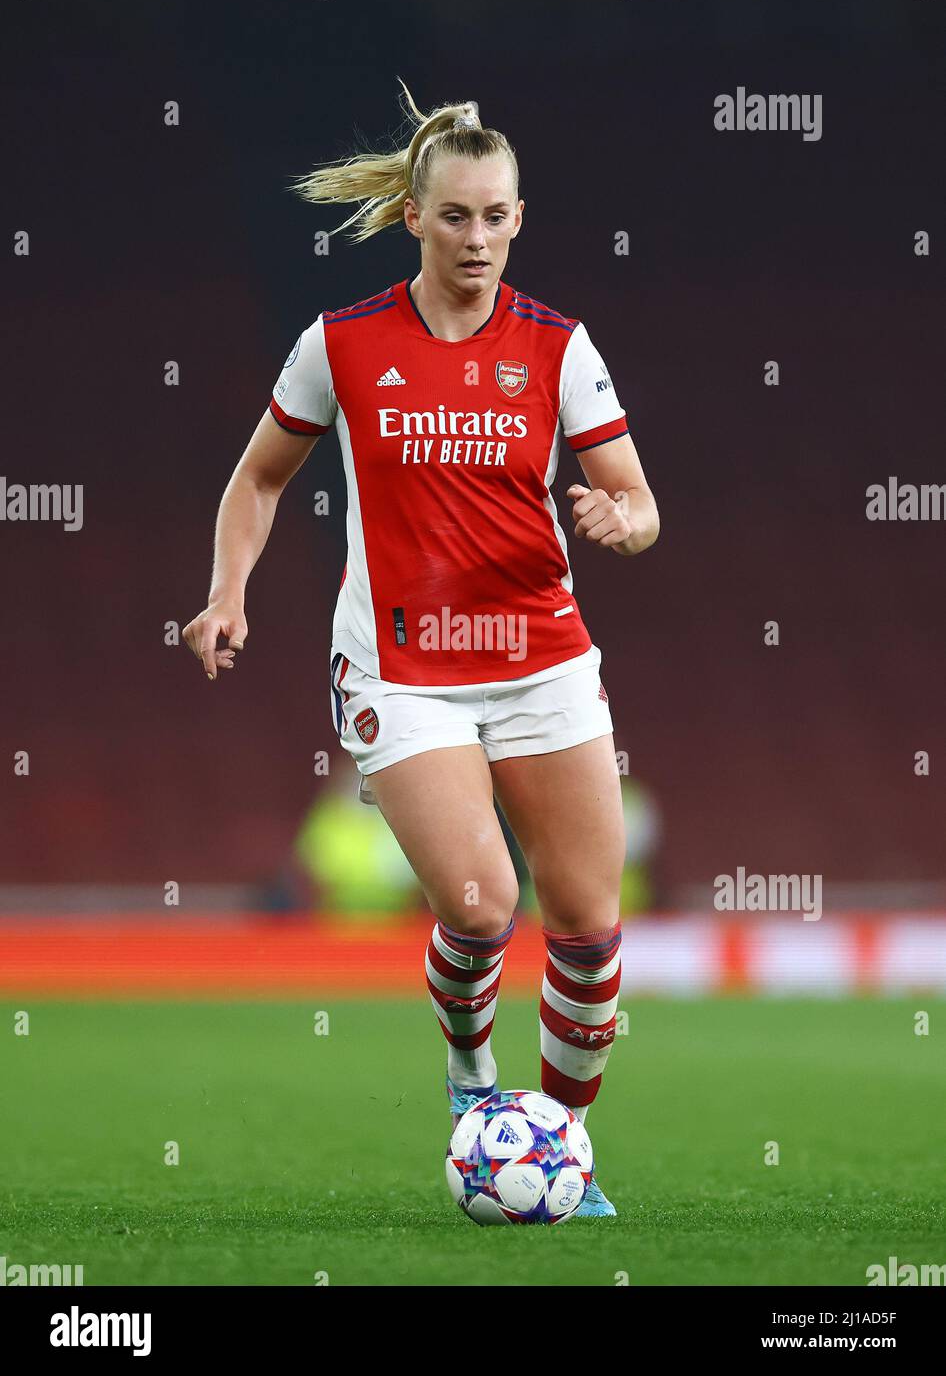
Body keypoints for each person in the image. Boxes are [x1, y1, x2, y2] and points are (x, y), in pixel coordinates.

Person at [182, 81, 660, 1216]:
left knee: (589, 930)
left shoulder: (557, 346)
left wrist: (618, 520)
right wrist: (225, 593)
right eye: (456, 216)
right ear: (413, 215)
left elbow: (639, 503)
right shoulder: (343, 344)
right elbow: (258, 475)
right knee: (485, 903)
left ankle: (556, 1144)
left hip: (541, 658)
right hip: (404, 672)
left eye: (497, 217)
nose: (478, 238)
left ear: (520, 218)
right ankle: (469, 1078)